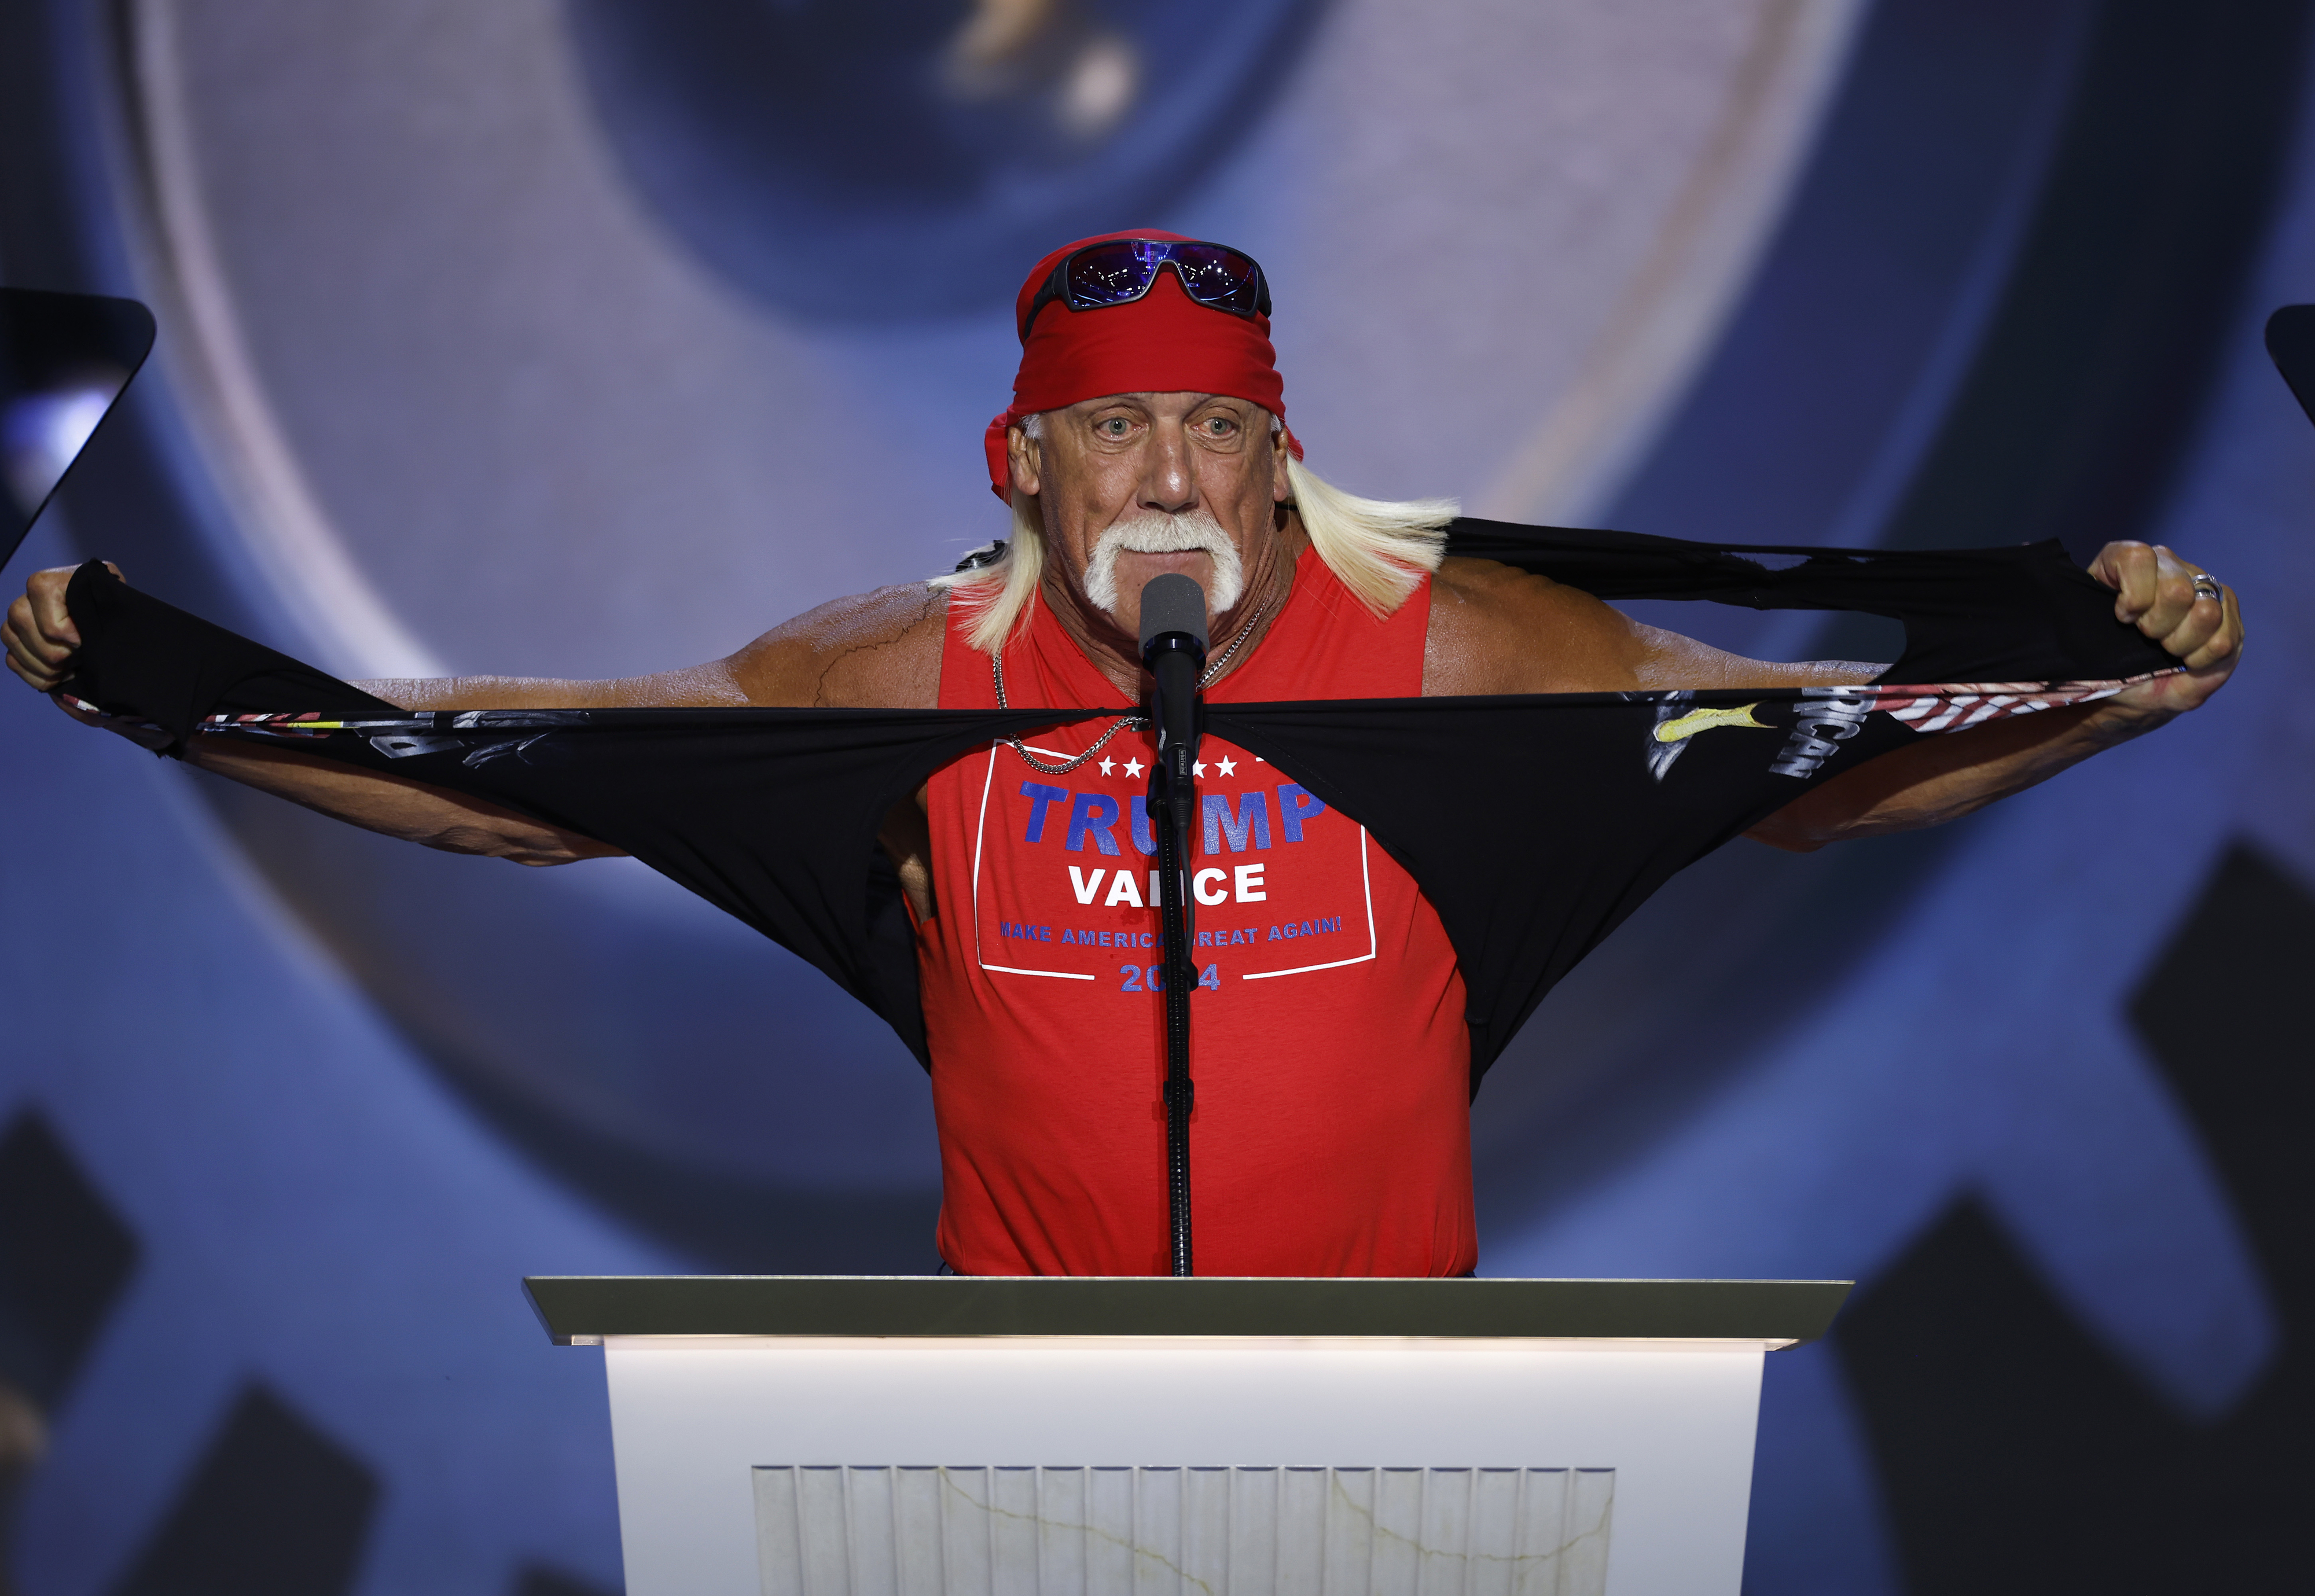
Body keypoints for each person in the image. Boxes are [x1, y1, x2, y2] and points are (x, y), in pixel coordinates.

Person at [3, 232, 2243, 1277]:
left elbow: (1835, 767)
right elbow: (501, 782)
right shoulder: (892, 683)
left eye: (1210, 427)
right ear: (1026, 467)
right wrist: (168, 689)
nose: (1161, 469)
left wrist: (2107, 688)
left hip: (1410, 1433)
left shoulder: (1475, 655)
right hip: (1005, 1432)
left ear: (1278, 470)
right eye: (1109, 428)